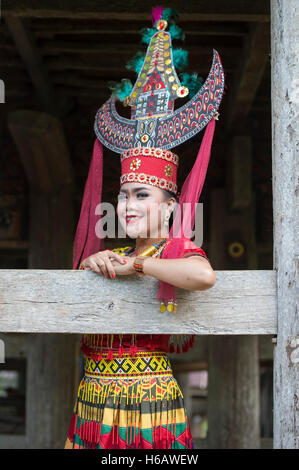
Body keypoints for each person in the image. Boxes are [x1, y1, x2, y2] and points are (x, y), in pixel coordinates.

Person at [64, 6, 225, 449]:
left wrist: (137, 268)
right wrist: (91, 265)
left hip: (148, 402)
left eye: (141, 195)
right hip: (91, 399)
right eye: (124, 194)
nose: (126, 204)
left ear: (171, 208)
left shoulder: (173, 250)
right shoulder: (114, 252)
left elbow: (203, 277)